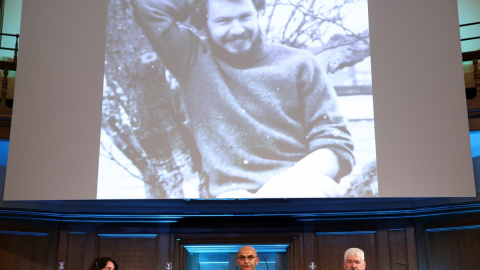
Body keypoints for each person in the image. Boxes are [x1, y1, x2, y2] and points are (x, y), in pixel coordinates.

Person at [131, 0, 355, 198]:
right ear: (204, 24)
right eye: (223, 21)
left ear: (258, 13)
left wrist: (276, 192)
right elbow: (148, 7)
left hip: (302, 188)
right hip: (234, 199)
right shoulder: (191, 59)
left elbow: (336, 145)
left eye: (245, 17)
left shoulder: (301, 63)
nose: (237, 29)